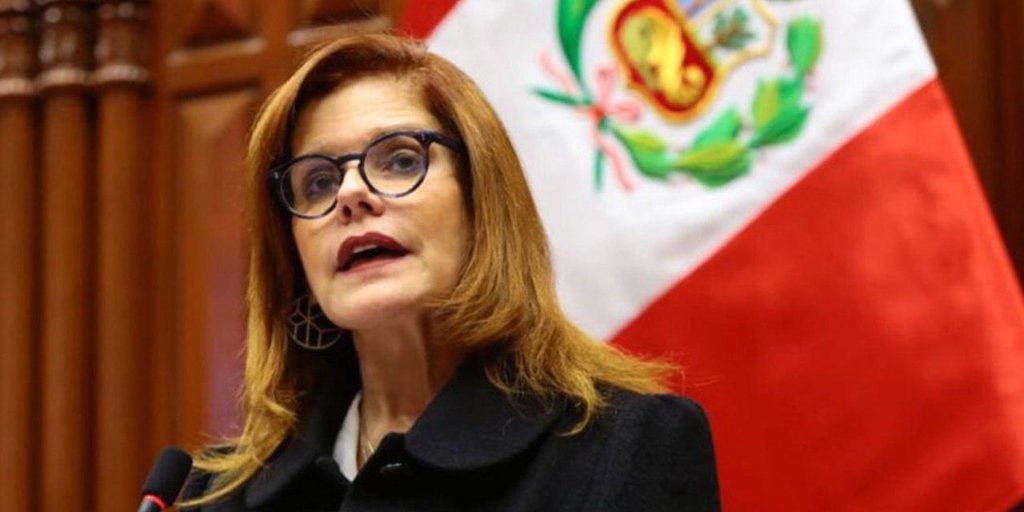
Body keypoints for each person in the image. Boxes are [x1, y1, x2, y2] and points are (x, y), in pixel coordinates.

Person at [180, 32, 720, 511]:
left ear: (481, 204)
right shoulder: (219, 495)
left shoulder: (625, 449)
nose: (350, 194)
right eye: (318, 182)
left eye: (400, 160)